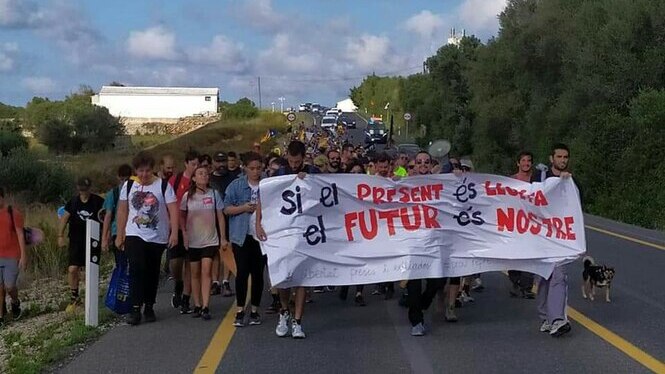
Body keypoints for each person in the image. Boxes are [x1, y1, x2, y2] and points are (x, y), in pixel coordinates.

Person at [256, 140, 319, 339]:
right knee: (283, 277)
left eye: (297, 161)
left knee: (301, 278)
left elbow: (325, 197)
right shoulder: (279, 174)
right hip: (282, 232)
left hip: (305, 233)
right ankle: (284, 311)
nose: (294, 164)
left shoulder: (314, 172)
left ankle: (298, 321)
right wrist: (258, 224)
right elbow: (262, 200)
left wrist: (308, 180)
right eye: (291, 161)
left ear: (304, 157)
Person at [115, 151, 178, 325]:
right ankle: (135, 308)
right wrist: (120, 234)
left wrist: (174, 233)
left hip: (157, 236)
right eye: (140, 171)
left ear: (153, 170)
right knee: (136, 267)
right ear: (136, 171)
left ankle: (149, 305)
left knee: (152, 270)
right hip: (134, 233)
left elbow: (173, 210)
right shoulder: (128, 186)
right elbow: (122, 210)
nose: (143, 175)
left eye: (147, 171)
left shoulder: (163, 186)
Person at [531, 143, 575, 337]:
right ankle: (546, 318)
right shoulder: (539, 177)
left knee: (558, 275)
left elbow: (575, 209)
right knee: (543, 277)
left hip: (559, 239)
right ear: (552, 158)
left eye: (565, 157)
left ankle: (557, 318)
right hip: (540, 237)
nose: (563, 160)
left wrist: (567, 183)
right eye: (559, 157)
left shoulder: (571, 181)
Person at [224, 152, 267, 327]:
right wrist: (243, 208)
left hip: (262, 236)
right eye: (252, 168)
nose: (255, 171)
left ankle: (255, 309)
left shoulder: (268, 184)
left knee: (258, 273)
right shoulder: (236, 185)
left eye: (258, 168)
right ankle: (241, 309)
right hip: (241, 235)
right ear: (245, 168)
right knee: (242, 272)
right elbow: (226, 209)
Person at [180, 165, 227, 320]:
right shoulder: (188, 196)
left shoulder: (214, 194)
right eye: (200, 174)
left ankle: (206, 305)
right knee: (195, 273)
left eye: (206, 174)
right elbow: (181, 215)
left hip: (210, 239)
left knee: (206, 270)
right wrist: (184, 233)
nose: (204, 176)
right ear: (194, 178)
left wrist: (223, 237)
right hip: (193, 240)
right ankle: (198, 304)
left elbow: (220, 216)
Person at [406, 151, 445, 336]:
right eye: (419, 161)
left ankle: (422, 305)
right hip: (413, 241)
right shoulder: (404, 184)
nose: (422, 164)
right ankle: (416, 321)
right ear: (414, 164)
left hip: (434, 240)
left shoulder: (441, 183)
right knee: (414, 282)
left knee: (438, 279)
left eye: (426, 162)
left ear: (431, 164)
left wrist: (459, 177)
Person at [58, 177, 104, 311]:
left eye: (85, 189)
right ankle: (74, 297)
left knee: (90, 270)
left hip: (93, 240)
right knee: (72, 269)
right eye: (81, 189)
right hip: (75, 240)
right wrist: (60, 236)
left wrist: (106, 235)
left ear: (89, 188)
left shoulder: (98, 202)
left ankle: (92, 297)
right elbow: (64, 218)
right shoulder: (73, 202)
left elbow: (105, 217)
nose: (83, 192)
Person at [168, 150, 199, 314]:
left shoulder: (199, 181)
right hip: (177, 227)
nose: (195, 167)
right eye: (192, 164)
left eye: (197, 164)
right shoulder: (176, 180)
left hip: (193, 227)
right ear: (186, 163)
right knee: (175, 261)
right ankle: (178, 282)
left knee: (190, 263)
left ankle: (186, 297)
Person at [338, 162, 367, 306]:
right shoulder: (342, 188)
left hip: (362, 228)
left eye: (359, 172)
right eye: (353, 172)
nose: (356, 175)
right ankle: (345, 284)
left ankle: (359, 292)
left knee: (361, 259)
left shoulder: (370, 188)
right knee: (348, 258)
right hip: (346, 228)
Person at [508, 151, 536, 299]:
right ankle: (515, 281)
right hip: (513, 223)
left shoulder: (537, 180)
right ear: (518, 163)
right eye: (523, 161)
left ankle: (527, 287)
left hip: (532, 224)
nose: (526, 163)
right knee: (515, 256)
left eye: (529, 161)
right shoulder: (511, 180)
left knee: (530, 255)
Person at [0, 187, 27, 323]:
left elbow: (20, 234)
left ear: (2, 197)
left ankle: (15, 302)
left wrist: (23, 256)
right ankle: (2, 315)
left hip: (12, 255)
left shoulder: (12, 213)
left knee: (10, 286)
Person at [101, 164, 133, 253]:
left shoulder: (136, 191)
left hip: (132, 232)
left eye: (126, 179)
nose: (124, 182)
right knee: (121, 262)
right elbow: (108, 215)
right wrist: (104, 237)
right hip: (117, 231)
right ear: (118, 177)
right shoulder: (113, 193)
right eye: (122, 179)